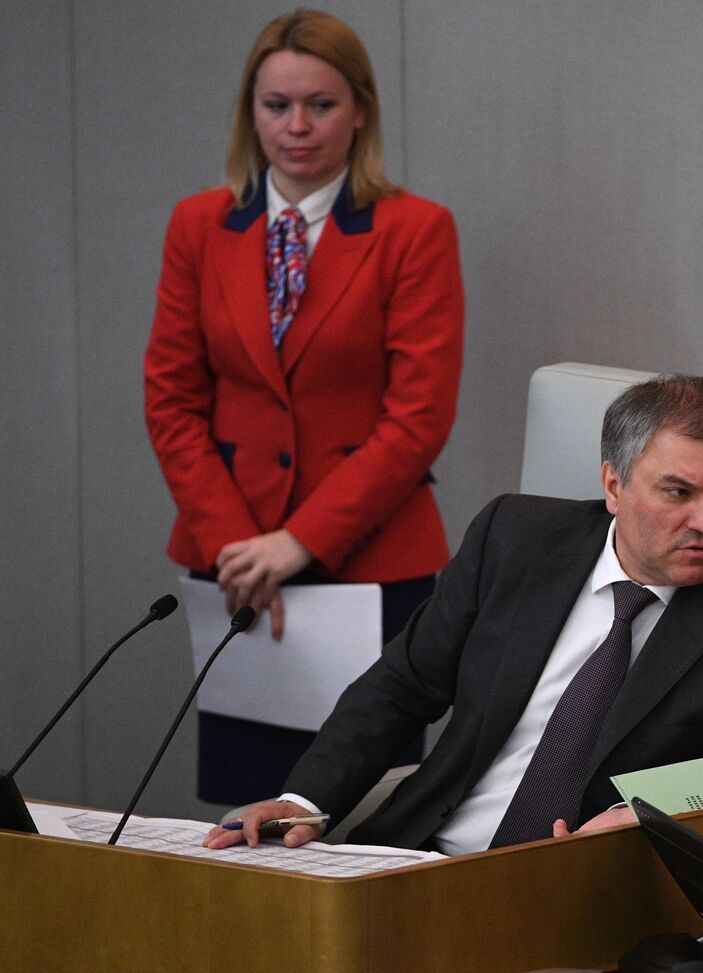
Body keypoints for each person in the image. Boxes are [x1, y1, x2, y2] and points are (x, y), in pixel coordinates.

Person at [204, 374, 703, 853]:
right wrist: (303, 798)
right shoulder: (515, 538)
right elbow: (402, 687)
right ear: (614, 485)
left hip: (588, 902)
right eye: (678, 491)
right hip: (421, 855)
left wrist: (651, 822)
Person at [144, 9, 464, 805]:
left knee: (366, 814)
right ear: (249, 113)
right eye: (275, 104)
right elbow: (172, 399)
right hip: (237, 571)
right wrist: (236, 546)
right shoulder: (198, 225)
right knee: (246, 817)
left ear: (360, 110)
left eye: (320, 105)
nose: (296, 126)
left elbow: (418, 417)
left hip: (372, 569)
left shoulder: (414, 230)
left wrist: (299, 540)